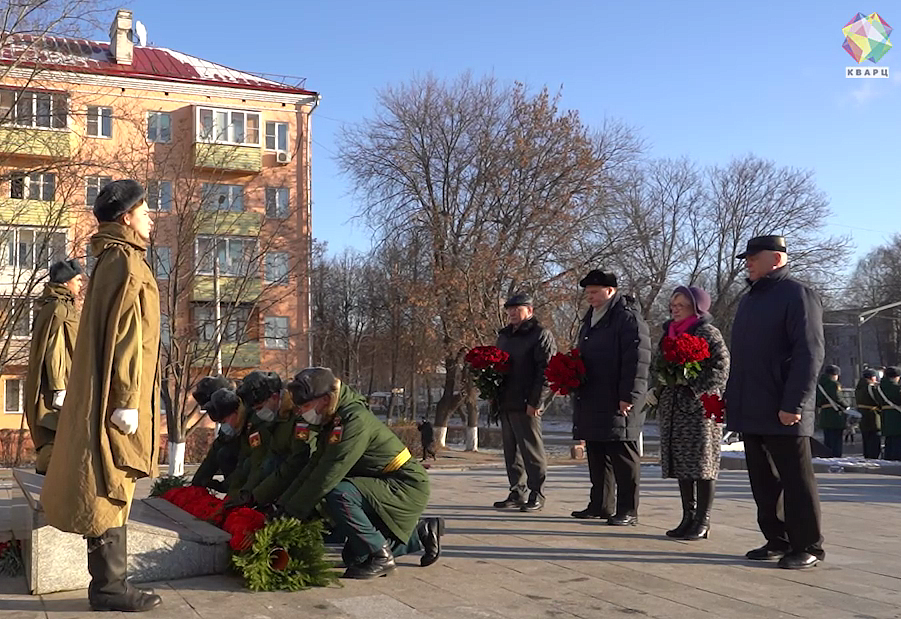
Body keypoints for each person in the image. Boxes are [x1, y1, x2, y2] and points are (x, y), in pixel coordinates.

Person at [40, 179, 162, 611]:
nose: (151, 218)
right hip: (118, 400)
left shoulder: (112, 260)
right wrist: (127, 400)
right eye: (144, 212)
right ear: (126, 218)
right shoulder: (127, 263)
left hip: (105, 394)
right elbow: (129, 337)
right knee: (111, 484)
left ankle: (107, 585)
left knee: (104, 482)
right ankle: (110, 587)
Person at [275, 367, 442, 579]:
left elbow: (328, 474)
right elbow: (314, 467)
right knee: (354, 558)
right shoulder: (333, 419)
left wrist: (293, 512)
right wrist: (283, 506)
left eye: (306, 406)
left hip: (404, 483)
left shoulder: (354, 420)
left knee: (338, 492)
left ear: (325, 399)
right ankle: (421, 533)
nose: (301, 412)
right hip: (381, 483)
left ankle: (381, 557)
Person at [724, 235, 825, 570]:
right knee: (764, 481)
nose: (748, 263)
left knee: (796, 480)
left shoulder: (797, 295)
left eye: (754, 257)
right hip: (753, 406)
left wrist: (794, 402)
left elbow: (809, 353)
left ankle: (807, 544)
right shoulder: (750, 299)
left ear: (778, 259)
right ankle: (777, 539)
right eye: (747, 258)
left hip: (784, 407)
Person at [572, 270, 650, 526]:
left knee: (622, 454)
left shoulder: (627, 318)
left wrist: (629, 395)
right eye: (588, 293)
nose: (590, 297)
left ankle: (628, 509)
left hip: (618, 398)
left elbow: (637, 359)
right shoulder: (591, 318)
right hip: (594, 395)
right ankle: (600, 504)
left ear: (611, 290)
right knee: (597, 451)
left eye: (595, 292)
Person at [655, 286, 730, 541]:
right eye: (673, 305)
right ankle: (688, 516)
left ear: (696, 308)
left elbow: (721, 367)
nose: (675, 310)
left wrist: (692, 385)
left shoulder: (707, 332)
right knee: (682, 463)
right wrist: (662, 382)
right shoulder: (669, 333)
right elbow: (659, 365)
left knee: (702, 463)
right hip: (674, 408)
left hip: (702, 407)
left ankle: (702, 520)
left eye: (681, 305)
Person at [492, 293, 556, 512]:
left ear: (530, 310)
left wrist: (536, 401)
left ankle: (537, 492)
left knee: (531, 450)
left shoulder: (540, 334)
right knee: (511, 451)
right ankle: (516, 491)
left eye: (517, 309)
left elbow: (546, 370)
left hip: (527, 401)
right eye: (509, 309)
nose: (512, 313)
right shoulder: (504, 336)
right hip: (506, 400)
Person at [24, 259, 85, 475]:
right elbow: (55, 349)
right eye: (78, 280)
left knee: (55, 439)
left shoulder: (53, 307)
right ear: (66, 282)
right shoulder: (60, 310)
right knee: (55, 439)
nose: (80, 284)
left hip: (54, 387)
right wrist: (60, 388)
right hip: (57, 389)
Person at [224, 371, 295, 507]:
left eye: (260, 408)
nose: (258, 413)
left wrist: (256, 496)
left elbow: (293, 463)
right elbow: (264, 462)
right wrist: (246, 492)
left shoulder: (294, 416)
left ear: (275, 397)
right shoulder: (275, 419)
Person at [192, 387, 245, 493]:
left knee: (225, 454)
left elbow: (249, 464)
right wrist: (197, 484)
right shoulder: (232, 428)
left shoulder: (249, 426)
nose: (224, 425)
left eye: (224, 421)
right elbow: (212, 457)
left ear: (236, 412)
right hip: (241, 481)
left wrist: (226, 486)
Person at [816, 365, 848, 458]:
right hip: (835, 414)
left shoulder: (819, 386)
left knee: (828, 439)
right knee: (837, 439)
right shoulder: (834, 384)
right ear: (834, 375)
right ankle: (836, 457)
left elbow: (817, 401)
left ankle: (827, 456)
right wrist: (846, 406)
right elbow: (838, 398)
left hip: (824, 414)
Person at [856, 368, 882, 459]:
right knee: (874, 438)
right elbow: (878, 400)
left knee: (865, 437)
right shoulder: (871, 387)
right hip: (872, 415)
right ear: (872, 377)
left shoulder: (859, 388)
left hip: (862, 415)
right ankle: (873, 456)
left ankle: (867, 456)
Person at [876, 367, 901, 460]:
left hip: (885, 414)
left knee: (889, 440)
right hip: (896, 415)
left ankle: (888, 459)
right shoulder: (896, 388)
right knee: (897, 440)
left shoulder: (879, 388)